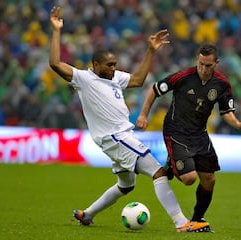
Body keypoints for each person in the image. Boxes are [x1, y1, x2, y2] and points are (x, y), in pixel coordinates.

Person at [48, 6, 211, 232]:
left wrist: (150, 51)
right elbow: (55, 64)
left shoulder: (115, 78)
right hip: (116, 137)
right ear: (95, 65)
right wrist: (56, 31)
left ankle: (87, 215)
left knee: (126, 185)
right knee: (159, 173)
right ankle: (182, 223)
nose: (114, 68)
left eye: (115, 64)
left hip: (116, 138)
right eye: (109, 65)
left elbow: (137, 80)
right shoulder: (83, 78)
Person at [137, 44, 241, 228]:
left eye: (208, 65)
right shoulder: (183, 77)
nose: (203, 69)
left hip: (199, 135)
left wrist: (238, 124)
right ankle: (171, 162)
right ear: (197, 61)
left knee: (210, 180)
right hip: (176, 131)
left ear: (216, 63)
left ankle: (197, 219)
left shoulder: (222, 84)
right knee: (189, 179)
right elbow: (155, 89)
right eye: (200, 64)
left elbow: (226, 112)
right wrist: (143, 115)